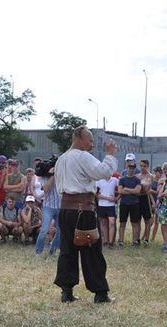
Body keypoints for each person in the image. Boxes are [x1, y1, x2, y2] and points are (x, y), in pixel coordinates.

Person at [53, 125, 118, 303]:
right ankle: (100, 293)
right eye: (89, 140)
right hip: (83, 210)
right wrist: (110, 154)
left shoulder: (62, 159)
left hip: (66, 209)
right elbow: (104, 173)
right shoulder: (82, 157)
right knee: (92, 250)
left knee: (68, 250)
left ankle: (66, 292)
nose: (91, 144)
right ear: (79, 138)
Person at [34, 158, 60, 258]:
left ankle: (52, 251)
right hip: (48, 206)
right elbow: (46, 189)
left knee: (60, 231)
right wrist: (52, 175)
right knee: (44, 229)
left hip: (60, 206)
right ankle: (38, 252)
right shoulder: (45, 177)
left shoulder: (62, 176)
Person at [117, 167, 142, 246]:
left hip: (134, 203)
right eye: (130, 168)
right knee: (122, 223)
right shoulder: (122, 179)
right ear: (126, 169)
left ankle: (135, 241)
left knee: (134, 223)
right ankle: (120, 241)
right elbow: (120, 191)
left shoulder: (137, 180)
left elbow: (138, 191)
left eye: (133, 168)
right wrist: (132, 191)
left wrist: (127, 189)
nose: (131, 170)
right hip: (124, 203)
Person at [95, 172, 118, 245]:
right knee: (103, 223)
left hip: (111, 206)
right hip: (102, 205)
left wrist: (116, 198)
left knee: (112, 222)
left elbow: (121, 189)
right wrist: (108, 198)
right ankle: (105, 240)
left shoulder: (115, 180)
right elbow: (96, 194)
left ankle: (111, 242)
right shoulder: (99, 181)